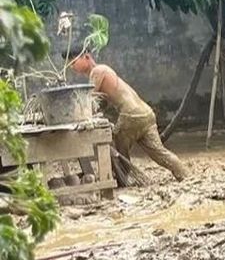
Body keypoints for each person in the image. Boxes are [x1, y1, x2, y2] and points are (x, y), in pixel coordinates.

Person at [68, 51, 188, 181]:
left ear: (86, 56)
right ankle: (185, 175)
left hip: (131, 115)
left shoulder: (96, 71)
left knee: (116, 148)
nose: (72, 67)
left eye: (73, 62)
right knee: (159, 152)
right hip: (146, 113)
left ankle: (123, 178)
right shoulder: (105, 70)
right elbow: (104, 101)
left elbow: (89, 101)